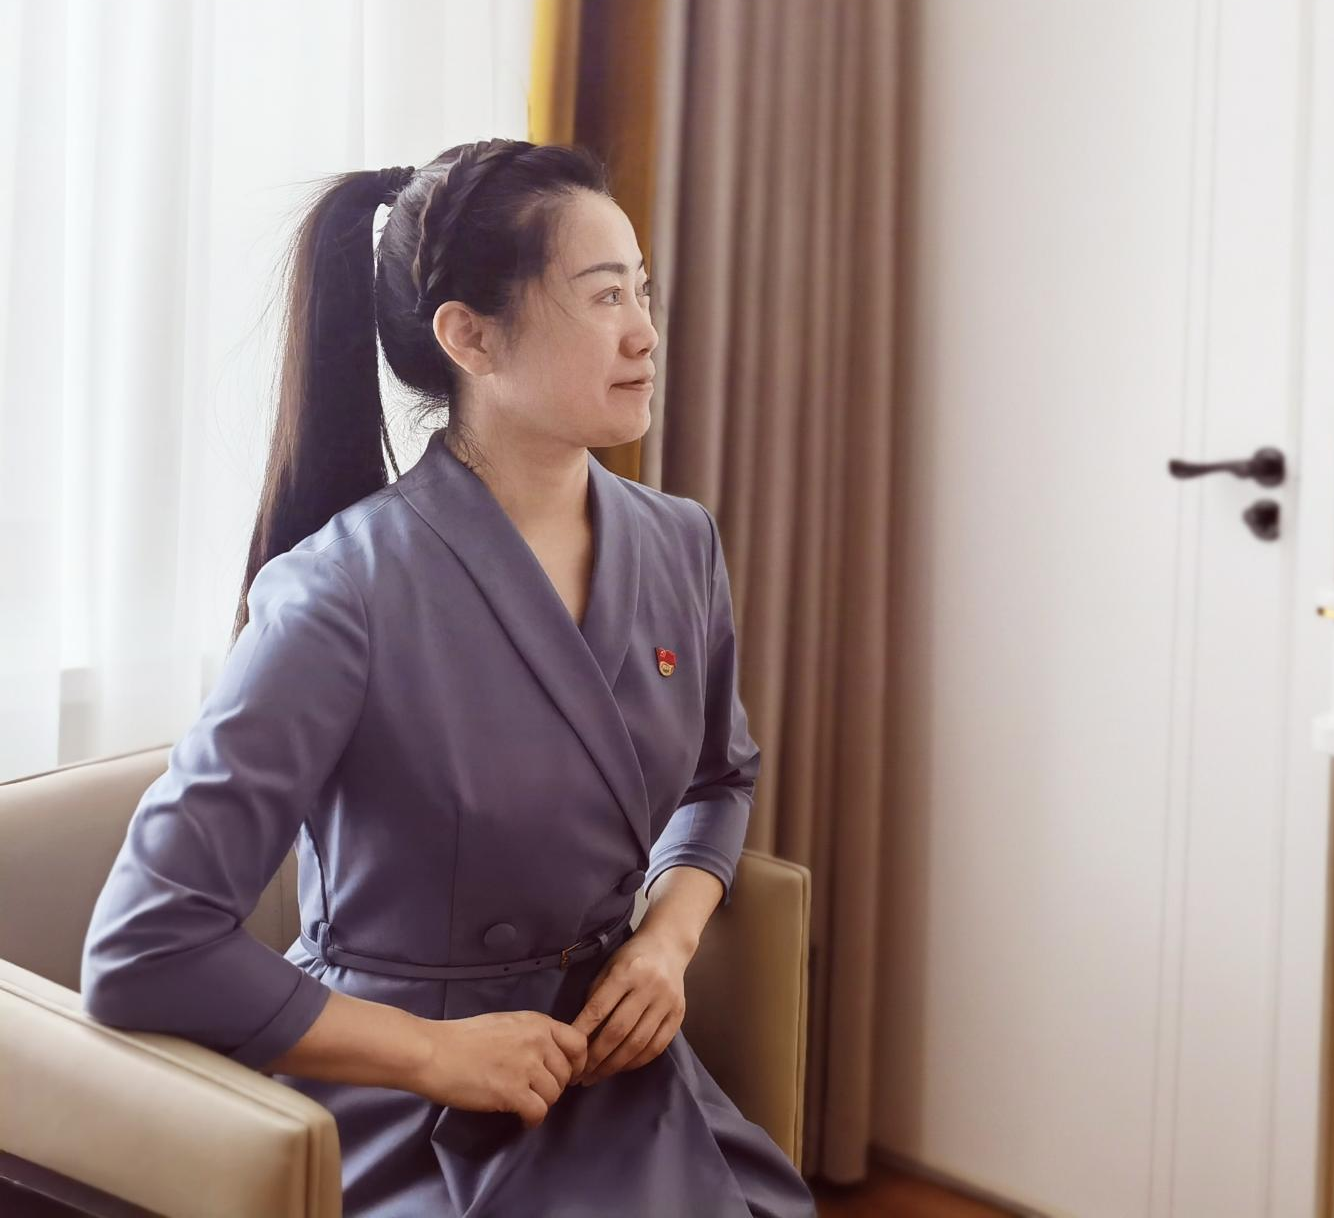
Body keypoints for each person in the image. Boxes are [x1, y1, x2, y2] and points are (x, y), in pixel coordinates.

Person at [80, 142, 814, 1217]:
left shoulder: (678, 543)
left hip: (608, 1073)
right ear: (469, 336)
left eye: (643, 290)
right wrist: (435, 1055)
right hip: (403, 1098)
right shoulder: (340, 593)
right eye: (603, 296)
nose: (645, 333)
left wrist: (666, 941)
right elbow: (144, 944)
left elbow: (718, 780)